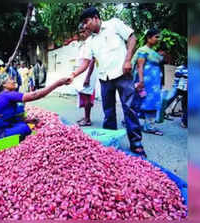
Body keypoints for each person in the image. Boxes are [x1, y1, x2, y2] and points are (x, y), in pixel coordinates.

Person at [69, 7, 145, 157]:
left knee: (129, 109)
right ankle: (110, 142)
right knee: (108, 113)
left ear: (96, 18)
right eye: (83, 24)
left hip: (123, 74)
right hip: (105, 80)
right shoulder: (90, 41)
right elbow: (85, 63)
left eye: (86, 22)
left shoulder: (114, 24)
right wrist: (73, 74)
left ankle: (136, 144)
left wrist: (128, 60)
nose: (85, 26)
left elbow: (132, 38)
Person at [0, 73, 71, 145]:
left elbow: (7, 116)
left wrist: (28, 120)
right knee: (24, 129)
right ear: (4, 85)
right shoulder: (7, 95)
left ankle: (2, 142)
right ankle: (0, 145)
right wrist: (58, 83)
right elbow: (35, 95)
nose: (14, 81)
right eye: (10, 80)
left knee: (23, 124)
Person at [132, 28, 164, 136]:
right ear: (149, 38)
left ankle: (147, 125)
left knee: (150, 103)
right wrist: (141, 81)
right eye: (156, 37)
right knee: (144, 102)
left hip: (154, 84)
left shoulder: (153, 52)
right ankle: (147, 127)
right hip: (146, 83)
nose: (158, 39)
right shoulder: (143, 50)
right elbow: (140, 66)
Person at [74, 23, 97, 126]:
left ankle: (87, 119)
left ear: (89, 30)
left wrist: (87, 77)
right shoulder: (85, 43)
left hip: (89, 73)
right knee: (83, 95)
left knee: (87, 96)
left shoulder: (92, 42)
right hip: (83, 72)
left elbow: (92, 60)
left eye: (84, 31)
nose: (82, 34)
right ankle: (86, 117)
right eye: (81, 32)